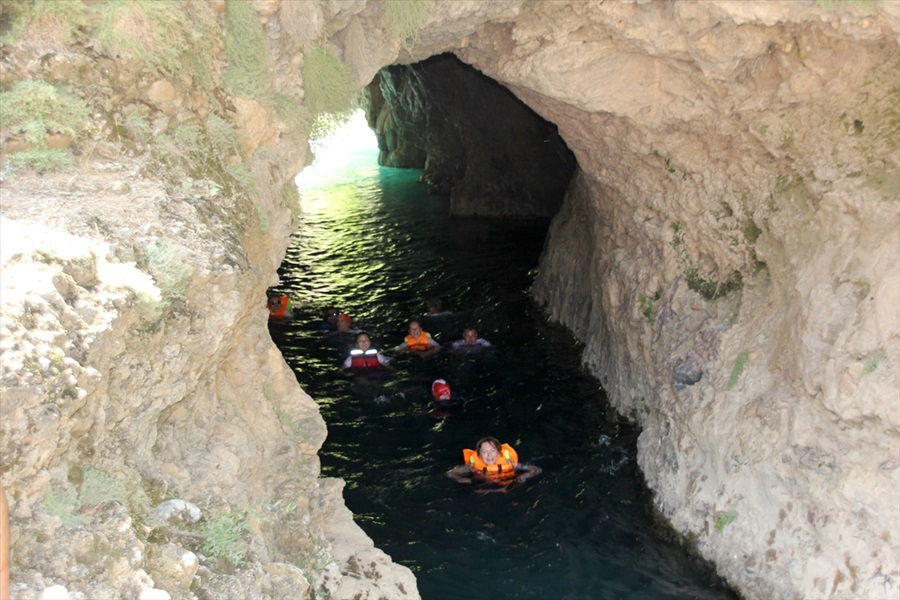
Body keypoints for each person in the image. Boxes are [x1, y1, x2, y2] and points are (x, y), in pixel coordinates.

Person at [447, 436, 541, 489]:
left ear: (499, 452)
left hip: (509, 488)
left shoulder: (511, 464)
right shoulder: (472, 467)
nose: (489, 455)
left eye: (492, 451)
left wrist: (522, 477)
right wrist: (466, 481)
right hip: (482, 490)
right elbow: (450, 474)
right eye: (484, 452)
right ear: (479, 455)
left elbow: (536, 470)